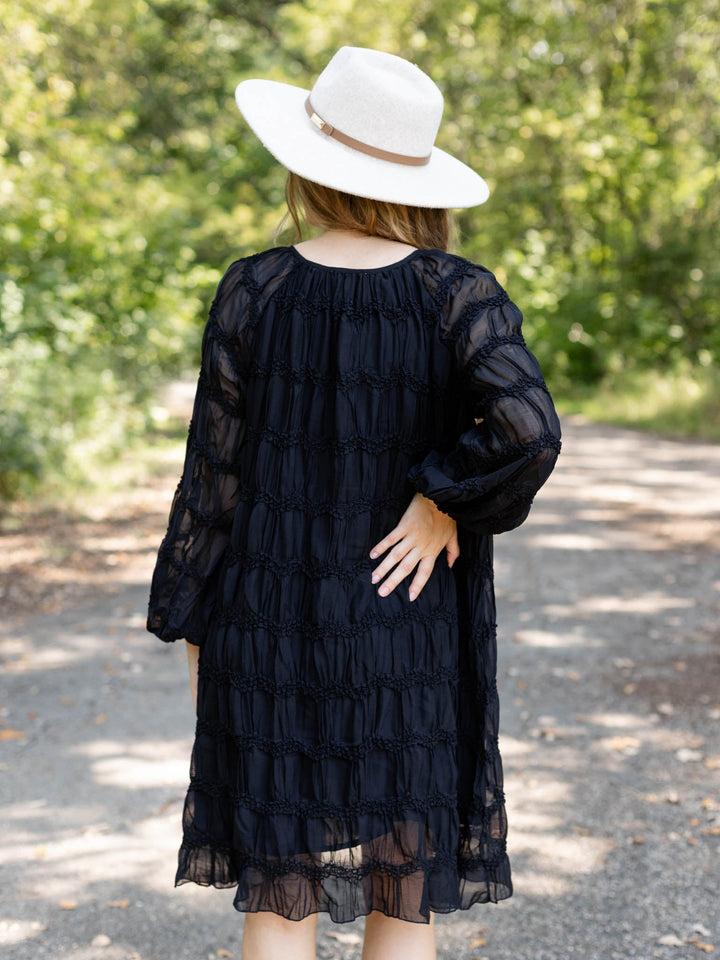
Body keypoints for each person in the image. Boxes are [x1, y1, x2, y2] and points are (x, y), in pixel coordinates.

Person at [146, 45, 561, 960]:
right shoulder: (458, 294)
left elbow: (212, 478)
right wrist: (442, 500)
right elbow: (530, 431)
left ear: (308, 164)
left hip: (267, 626)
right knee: (401, 889)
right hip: (402, 629)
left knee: (278, 890)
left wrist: (190, 622)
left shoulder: (252, 288)